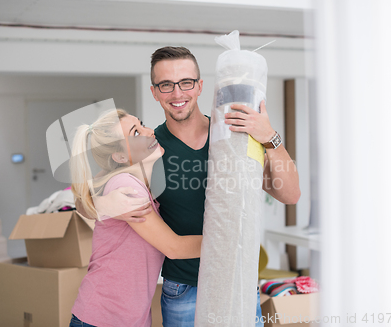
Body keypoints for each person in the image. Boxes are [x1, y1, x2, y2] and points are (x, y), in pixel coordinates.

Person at [101, 46, 301, 326]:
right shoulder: (148, 149)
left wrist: (270, 137)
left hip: (238, 282)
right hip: (184, 289)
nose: (177, 93)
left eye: (186, 82)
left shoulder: (233, 137)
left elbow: (290, 194)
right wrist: (102, 204)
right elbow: (94, 184)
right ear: (154, 92)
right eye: (166, 85)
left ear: (199, 86)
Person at [69, 109, 203, 327]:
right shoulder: (126, 186)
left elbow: (86, 194)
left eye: (141, 124)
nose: (149, 132)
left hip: (128, 319)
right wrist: (230, 241)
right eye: (136, 133)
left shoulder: (135, 182)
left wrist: (98, 204)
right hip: (103, 319)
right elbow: (174, 248)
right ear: (120, 157)